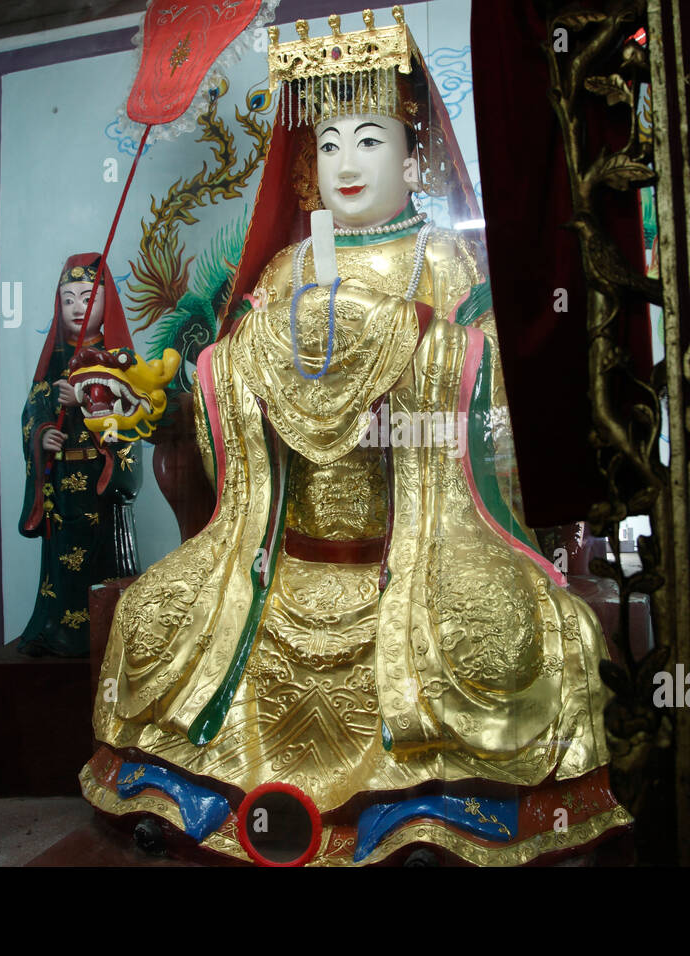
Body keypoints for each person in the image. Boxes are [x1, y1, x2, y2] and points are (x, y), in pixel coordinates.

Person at [81, 10, 628, 865]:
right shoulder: (286, 270)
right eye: (328, 142)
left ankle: (430, 809)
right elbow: (229, 379)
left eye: (368, 139)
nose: (345, 162)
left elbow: (486, 399)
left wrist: (408, 344)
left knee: (512, 632)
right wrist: (248, 361)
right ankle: (194, 790)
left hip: (413, 553)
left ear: (413, 157)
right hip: (280, 561)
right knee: (153, 615)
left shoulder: (443, 263)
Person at [15, 254, 142, 657]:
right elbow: (32, 410)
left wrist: (86, 401)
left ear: (107, 303)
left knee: (100, 563)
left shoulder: (118, 359)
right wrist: (41, 436)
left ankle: (104, 636)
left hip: (98, 483)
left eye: (87, 296)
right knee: (59, 566)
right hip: (59, 487)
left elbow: (134, 417)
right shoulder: (52, 357)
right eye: (67, 297)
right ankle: (56, 629)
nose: (76, 306)